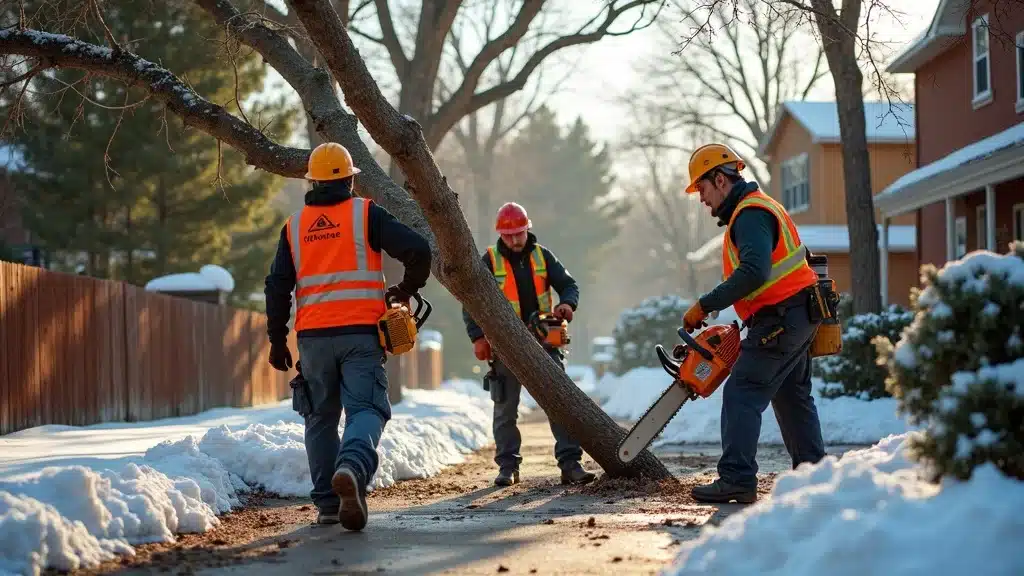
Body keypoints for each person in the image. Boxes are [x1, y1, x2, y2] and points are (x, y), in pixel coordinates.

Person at [264, 142, 432, 530]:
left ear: (312, 182)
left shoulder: (294, 227)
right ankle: (353, 468)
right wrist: (406, 289)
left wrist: (276, 339)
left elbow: (277, 286)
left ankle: (327, 505)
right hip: (361, 335)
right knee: (367, 410)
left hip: (312, 339)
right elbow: (418, 250)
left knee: (320, 418)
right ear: (351, 180)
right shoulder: (365, 214)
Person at [681, 143, 826, 504]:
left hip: (781, 319)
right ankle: (814, 476)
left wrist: (706, 304)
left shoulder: (750, 215)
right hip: (796, 315)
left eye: (702, 189)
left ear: (720, 179)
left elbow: (754, 272)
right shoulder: (759, 207)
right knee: (792, 398)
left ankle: (737, 479)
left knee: (742, 392)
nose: (701, 199)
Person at [463, 202, 596, 487]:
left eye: (519, 234)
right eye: (508, 235)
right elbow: (470, 301)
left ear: (527, 230)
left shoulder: (542, 256)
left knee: (561, 404)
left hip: (545, 343)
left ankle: (570, 464)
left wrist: (567, 304)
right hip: (504, 348)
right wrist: (478, 337)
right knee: (505, 410)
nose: (514, 240)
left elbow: (570, 286)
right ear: (500, 234)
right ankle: (507, 467)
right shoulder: (488, 261)